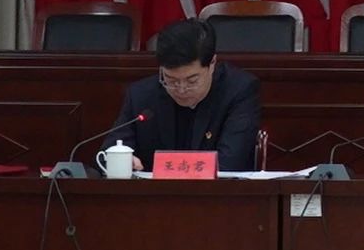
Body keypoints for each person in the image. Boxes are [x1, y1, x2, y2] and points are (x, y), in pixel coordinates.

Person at [106, 18, 261, 173]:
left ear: (212, 63)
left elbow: (229, 163)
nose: (181, 90)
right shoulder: (141, 95)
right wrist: (119, 160)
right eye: (171, 80)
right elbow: (107, 152)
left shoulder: (238, 91)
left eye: (192, 81)